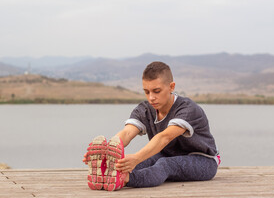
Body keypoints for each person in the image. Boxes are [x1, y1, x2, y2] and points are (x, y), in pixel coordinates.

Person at [83, 61, 220, 191]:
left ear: (171, 87)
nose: (151, 98)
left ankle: (125, 179)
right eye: (146, 92)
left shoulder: (187, 109)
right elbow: (127, 133)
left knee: (164, 165)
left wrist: (136, 158)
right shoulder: (145, 109)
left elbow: (164, 137)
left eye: (156, 91)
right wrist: (107, 151)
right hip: (166, 155)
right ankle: (107, 175)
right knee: (140, 161)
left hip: (203, 161)